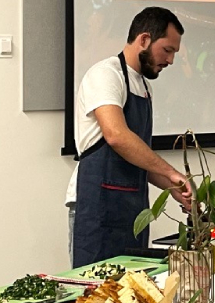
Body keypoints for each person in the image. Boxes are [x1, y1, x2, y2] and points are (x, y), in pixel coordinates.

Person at [66, 7, 192, 268]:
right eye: (167, 50)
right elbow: (116, 136)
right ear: (144, 40)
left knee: (131, 297)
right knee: (94, 297)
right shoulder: (105, 74)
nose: (170, 61)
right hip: (97, 209)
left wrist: (174, 187)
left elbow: (138, 158)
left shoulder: (144, 88)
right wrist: (171, 172)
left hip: (133, 211)